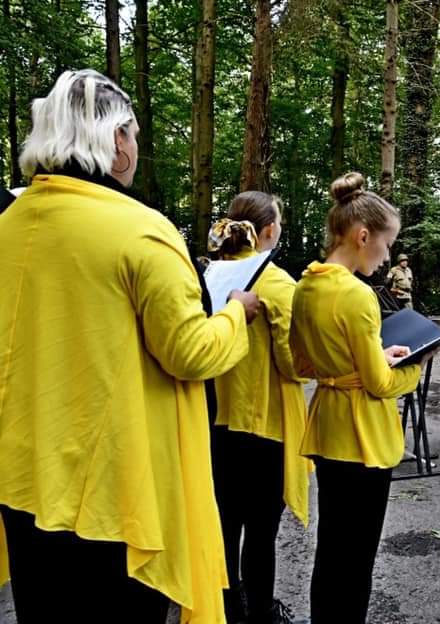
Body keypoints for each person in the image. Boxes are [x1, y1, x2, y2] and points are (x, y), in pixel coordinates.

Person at [0, 69, 258, 623]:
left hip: (21, 478)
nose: (135, 149)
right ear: (116, 140)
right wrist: (237, 313)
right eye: (134, 136)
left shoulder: (9, 222)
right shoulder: (140, 229)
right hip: (112, 493)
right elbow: (190, 352)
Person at [290, 172, 423, 623]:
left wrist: (366, 359)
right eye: (385, 245)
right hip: (363, 436)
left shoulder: (306, 284)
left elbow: (301, 365)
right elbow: (380, 385)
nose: (386, 257)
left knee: (331, 552)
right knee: (357, 558)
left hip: (326, 428)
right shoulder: (358, 295)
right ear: (363, 235)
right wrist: (416, 366)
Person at [209, 192, 312, 624]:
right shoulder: (277, 282)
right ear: (268, 231)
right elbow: (292, 363)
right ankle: (262, 610)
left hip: (215, 419)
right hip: (264, 423)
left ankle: (225, 606)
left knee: (224, 523)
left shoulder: (210, 272)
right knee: (262, 531)